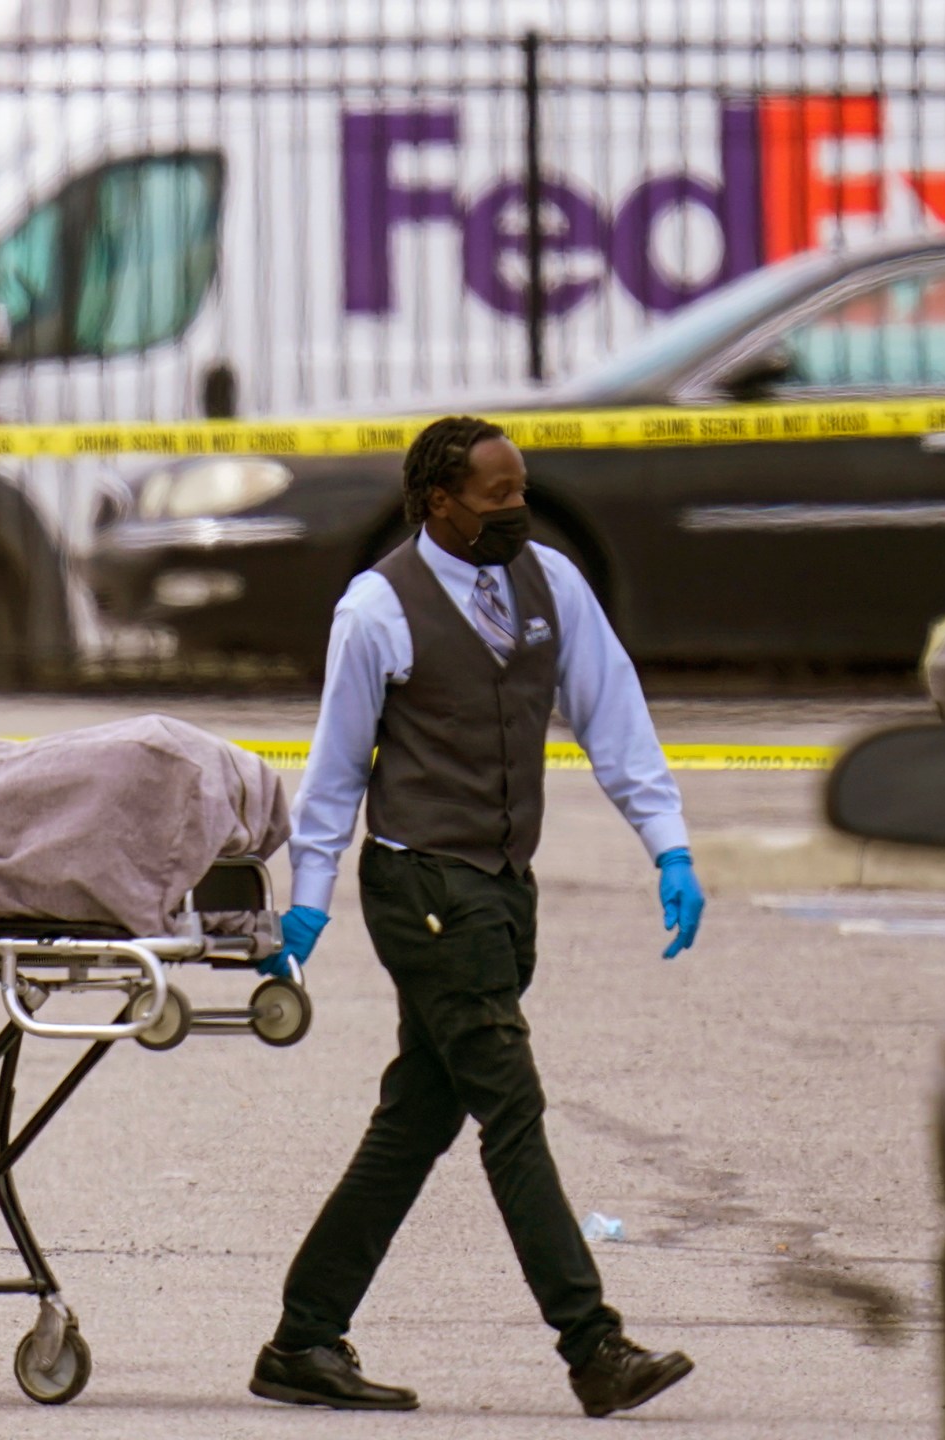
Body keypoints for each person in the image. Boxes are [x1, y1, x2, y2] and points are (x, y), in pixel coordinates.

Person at [250, 416, 704, 1419]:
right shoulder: (377, 609)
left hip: (501, 888)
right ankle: (592, 1346)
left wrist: (665, 842)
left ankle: (302, 1338)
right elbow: (335, 772)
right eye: (493, 495)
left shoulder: (551, 584)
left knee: (418, 1117)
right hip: (423, 890)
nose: (514, 509)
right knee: (511, 1107)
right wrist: (309, 903)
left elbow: (612, 715)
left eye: (520, 491)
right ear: (436, 503)